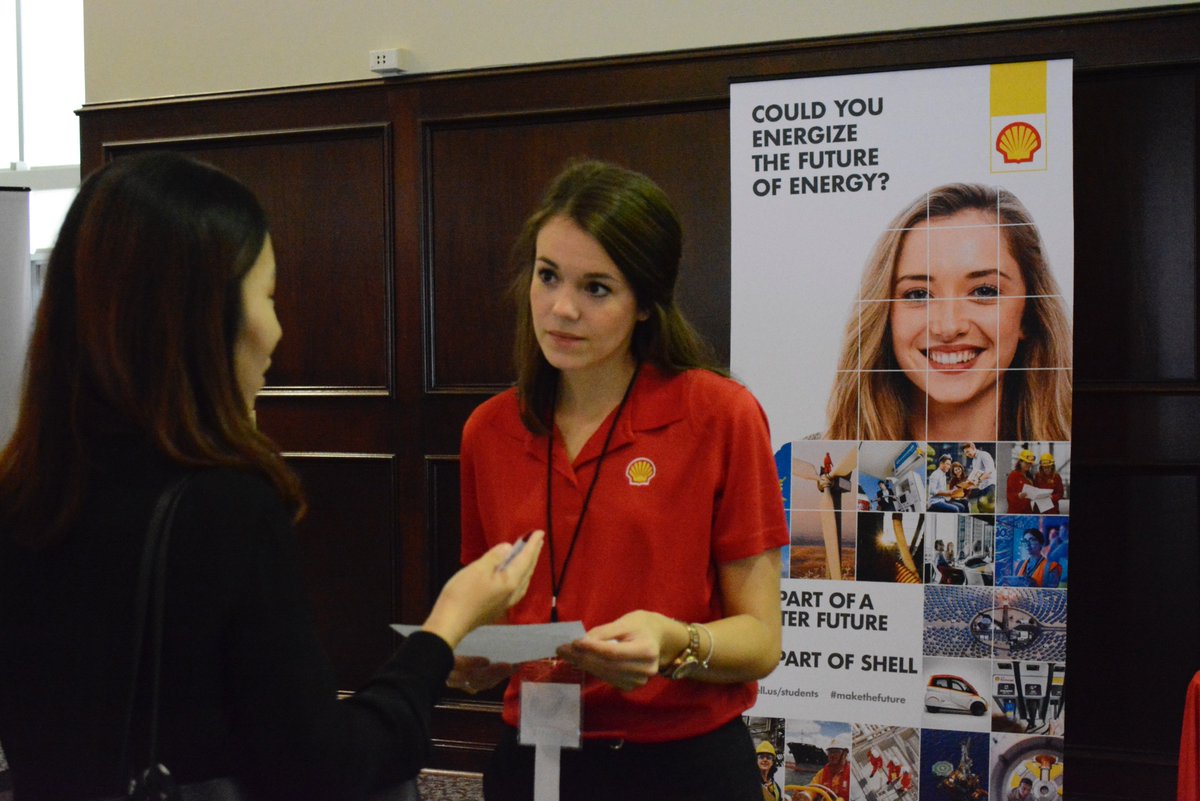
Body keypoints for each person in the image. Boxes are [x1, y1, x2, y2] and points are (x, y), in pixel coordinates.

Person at [0, 153, 545, 801]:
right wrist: (444, 630)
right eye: (268, 297)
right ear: (204, 317)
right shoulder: (224, 507)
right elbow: (328, 767)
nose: (278, 332)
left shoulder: (25, 493)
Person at [456, 160, 788, 801]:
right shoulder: (489, 431)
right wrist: (468, 654)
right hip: (537, 754)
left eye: (597, 288)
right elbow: (485, 610)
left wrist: (673, 642)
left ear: (644, 305)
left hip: (681, 763)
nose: (561, 308)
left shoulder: (719, 415)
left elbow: (761, 641)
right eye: (548, 275)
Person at [824, 183, 1071, 442]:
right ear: (885, 315)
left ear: (1029, 314)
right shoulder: (810, 460)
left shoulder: (1078, 456)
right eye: (918, 294)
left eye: (984, 291)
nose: (948, 327)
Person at [809, 736, 851, 801]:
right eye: (830, 752)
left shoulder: (850, 773)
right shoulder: (822, 773)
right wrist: (807, 794)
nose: (832, 755)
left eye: (836, 752)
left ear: (844, 754)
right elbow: (813, 787)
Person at [1005, 448, 1037, 514]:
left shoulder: (1029, 477)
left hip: (1027, 511)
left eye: (1030, 463)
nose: (1028, 465)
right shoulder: (1013, 475)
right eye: (1026, 463)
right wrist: (1018, 496)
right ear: (1020, 462)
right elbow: (1009, 495)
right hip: (1016, 512)